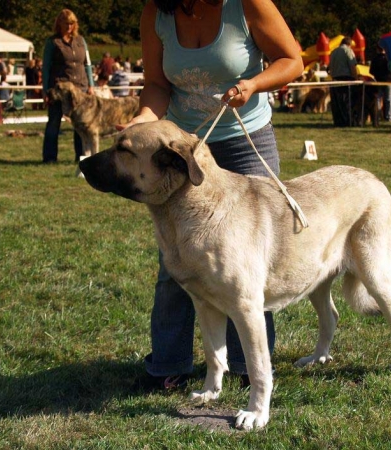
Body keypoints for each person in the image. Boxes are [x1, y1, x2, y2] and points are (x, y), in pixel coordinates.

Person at [117, 0, 303, 390]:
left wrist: (254, 85)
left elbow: (292, 60)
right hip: (185, 152)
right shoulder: (157, 11)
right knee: (177, 261)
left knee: (249, 265)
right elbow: (156, 84)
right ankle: (168, 365)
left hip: (246, 139)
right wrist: (145, 120)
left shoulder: (248, 4)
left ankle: (248, 367)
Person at [41, 9, 95, 163]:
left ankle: (81, 156)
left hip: (81, 89)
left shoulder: (81, 41)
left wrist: (91, 84)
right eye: (66, 23)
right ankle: (50, 158)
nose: (69, 26)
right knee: (54, 122)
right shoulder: (52, 42)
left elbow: (87, 64)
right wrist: (46, 90)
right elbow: (46, 68)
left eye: (72, 23)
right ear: (59, 24)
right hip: (59, 90)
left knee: (81, 125)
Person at [328, 37, 359, 127]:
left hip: (335, 80)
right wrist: (356, 78)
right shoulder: (348, 51)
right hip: (346, 79)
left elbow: (330, 67)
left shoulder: (333, 52)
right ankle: (348, 122)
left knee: (337, 103)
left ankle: (338, 122)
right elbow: (352, 66)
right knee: (347, 101)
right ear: (349, 44)